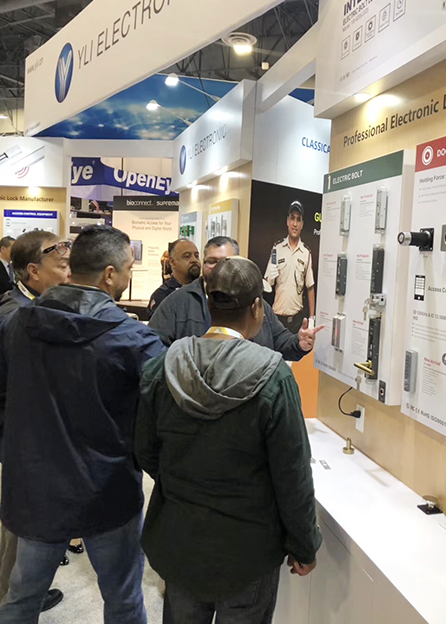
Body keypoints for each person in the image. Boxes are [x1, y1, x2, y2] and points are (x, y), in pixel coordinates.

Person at [136, 257, 322, 624]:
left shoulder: (164, 366)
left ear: (208, 304)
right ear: (257, 308)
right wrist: (304, 545)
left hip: (180, 537)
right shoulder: (274, 376)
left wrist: (185, 484)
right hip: (248, 550)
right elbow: (292, 475)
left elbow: (145, 450)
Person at [0, 225, 164, 624]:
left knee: (21, 600)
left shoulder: (18, 324)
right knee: (124, 600)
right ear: (109, 274)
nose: (129, 276)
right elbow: (163, 414)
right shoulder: (134, 339)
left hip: (36, 487)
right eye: (128, 268)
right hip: (107, 490)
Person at [0, 230, 71, 613]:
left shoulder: (34, 308)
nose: (70, 273)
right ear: (33, 271)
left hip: (29, 439)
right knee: (18, 530)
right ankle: (12, 602)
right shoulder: (18, 318)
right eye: (62, 266)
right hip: (21, 442)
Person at [149, 236, 323, 358]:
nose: (219, 267)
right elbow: (153, 352)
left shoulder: (258, 304)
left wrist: (298, 343)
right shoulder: (176, 303)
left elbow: (279, 340)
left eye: (226, 261)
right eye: (212, 261)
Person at [265, 201, 315, 334]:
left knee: (296, 347)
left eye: (298, 219)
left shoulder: (306, 253)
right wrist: (269, 277)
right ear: (287, 221)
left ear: (302, 224)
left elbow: (310, 287)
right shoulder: (277, 249)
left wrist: (312, 318)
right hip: (277, 318)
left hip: (297, 320)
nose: (295, 224)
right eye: (292, 218)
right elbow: (267, 285)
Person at [148, 239, 201, 317]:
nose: (194, 260)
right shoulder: (162, 296)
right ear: (172, 262)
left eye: (196, 256)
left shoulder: (205, 292)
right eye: (187, 256)